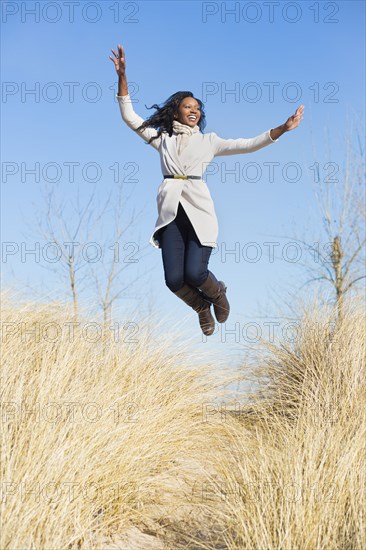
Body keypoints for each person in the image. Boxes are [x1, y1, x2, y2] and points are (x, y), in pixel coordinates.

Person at [109, 43, 304, 337]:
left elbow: (248, 144)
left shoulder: (209, 141)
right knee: (174, 280)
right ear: (176, 110)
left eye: (198, 108)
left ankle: (218, 293)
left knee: (195, 273)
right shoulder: (163, 140)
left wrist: (281, 128)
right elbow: (130, 117)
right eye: (189, 106)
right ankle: (201, 307)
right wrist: (123, 76)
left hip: (199, 214)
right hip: (171, 216)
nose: (195, 111)